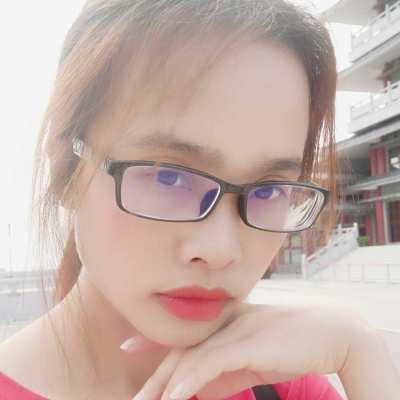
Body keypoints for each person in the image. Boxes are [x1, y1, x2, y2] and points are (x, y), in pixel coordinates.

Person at [0, 0, 399, 399]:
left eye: (269, 190)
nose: (220, 250)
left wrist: (361, 353)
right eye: (168, 176)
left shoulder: (285, 387)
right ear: (65, 169)